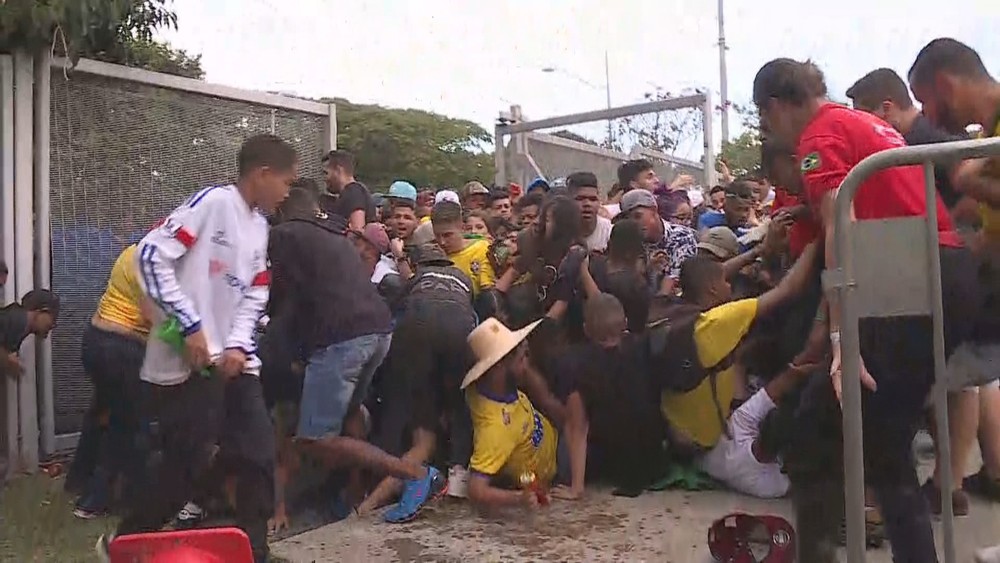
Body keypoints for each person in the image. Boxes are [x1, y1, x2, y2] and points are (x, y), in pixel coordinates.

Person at [753, 57, 981, 563]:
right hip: (935, 269)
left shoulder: (818, 136)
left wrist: (841, 339)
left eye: (766, 122)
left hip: (912, 278)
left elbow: (842, 223)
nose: (774, 134)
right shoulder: (862, 122)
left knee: (821, 430)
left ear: (773, 106)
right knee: (881, 439)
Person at [105, 135, 296, 563]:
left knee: (258, 453)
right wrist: (190, 326)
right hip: (185, 362)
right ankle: (125, 542)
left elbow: (255, 294)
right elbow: (150, 257)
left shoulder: (261, 226)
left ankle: (254, 551)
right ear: (262, 173)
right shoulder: (213, 204)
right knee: (186, 464)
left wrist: (238, 346)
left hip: (234, 363)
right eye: (285, 182)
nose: (287, 192)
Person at [268, 174, 444, 525]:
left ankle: (414, 473)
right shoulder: (335, 234)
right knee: (349, 418)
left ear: (281, 207)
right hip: (378, 332)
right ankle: (353, 492)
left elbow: (279, 301)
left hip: (343, 340)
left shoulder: (285, 235)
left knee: (315, 439)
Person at [908, 37, 1000, 507]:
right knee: (955, 374)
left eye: (926, 101)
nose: (930, 116)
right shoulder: (987, 137)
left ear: (945, 84)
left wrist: (969, 182)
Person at [361, 243, 477, 512]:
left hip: (417, 331)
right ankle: (458, 477)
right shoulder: (464, 278)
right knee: (460, 403)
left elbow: (391, 311)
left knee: (400, 401)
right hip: (460, 332)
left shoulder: (417, 278)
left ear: (420, 265)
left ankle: (385, 473)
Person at [69, 244, 152, 519]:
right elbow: (156, 318)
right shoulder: (155, 262)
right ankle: (95, 501)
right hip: (123, 348)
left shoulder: (131, 252)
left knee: (101, 413)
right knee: (126, 426)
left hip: (94, 339)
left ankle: (78, 479)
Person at [618, 189, 697, 295]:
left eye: (638, 216)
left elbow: (676, 279)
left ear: (654, 211)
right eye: (628, 219)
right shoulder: (631, 242)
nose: (634, 223)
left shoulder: (680, 235)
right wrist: (647, 269)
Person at [431, 201, 496, 295]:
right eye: (437, 235)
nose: (442, 242)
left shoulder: (482, 249)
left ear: (462, 228)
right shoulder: (432, 256)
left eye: (447, 235)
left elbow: (488, 293)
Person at [0, 289, 59, 379]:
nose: (53, 325)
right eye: (53, 318)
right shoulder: (12, 319)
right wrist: (5, 358)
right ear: (41, 310)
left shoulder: (19, 328)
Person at [320, 150, 375, 231]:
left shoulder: (353, 192)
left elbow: (357, 230)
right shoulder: (355, 191)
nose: (324, 179)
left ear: (338, 170)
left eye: (326, 173)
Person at [567, 172, 612, 253]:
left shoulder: (609, 232)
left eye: (593, 199)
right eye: (580, 198)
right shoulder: (558, 230)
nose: (587, 204)